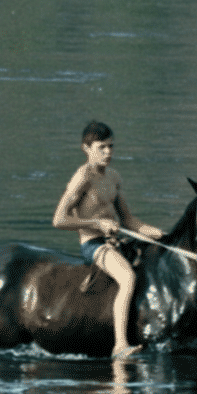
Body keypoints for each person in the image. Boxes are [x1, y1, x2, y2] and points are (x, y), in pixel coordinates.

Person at [51, 120, 163, 357]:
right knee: (128, 277)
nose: (109, 152)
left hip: (117, 242)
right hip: (93, 245)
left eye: (111, 146)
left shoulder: (113, 177)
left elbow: (129, 221)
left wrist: (159, 234)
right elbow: (58, 220)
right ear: (86, 148)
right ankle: (119, 345)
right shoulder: (82, 177)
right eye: (102, 147)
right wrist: (96, 224)